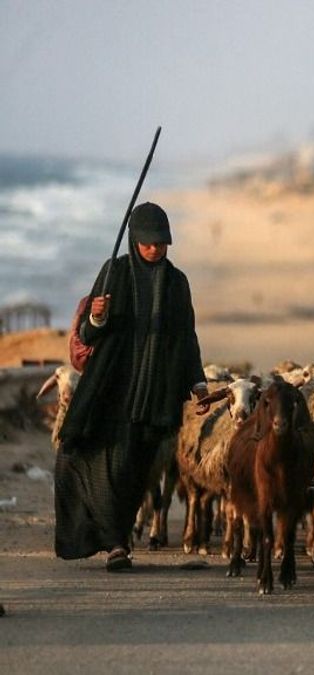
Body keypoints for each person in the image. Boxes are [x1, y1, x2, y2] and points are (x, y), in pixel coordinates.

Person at [55, 202, 206, 571]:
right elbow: (89, 334)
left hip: (155, 395)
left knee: (133, 471)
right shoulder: (114, 273)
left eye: (161, 243)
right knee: (77, 457)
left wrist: (198, 382)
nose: (155, 249)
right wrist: (97, 315)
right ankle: (113, 542)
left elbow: (186, 336)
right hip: (110, 387)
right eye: (148, 242)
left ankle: (118, 541)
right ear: (135, 241)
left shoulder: (177, 282)